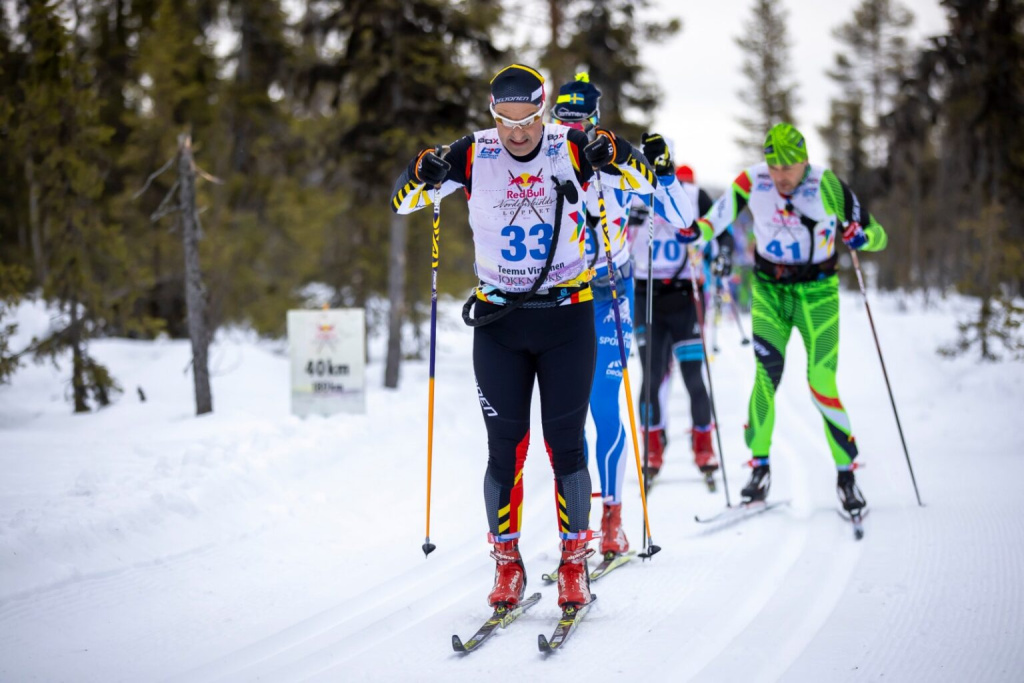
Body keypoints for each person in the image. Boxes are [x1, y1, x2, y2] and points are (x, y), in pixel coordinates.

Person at [390, 64, 657, 610]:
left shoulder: (571, 145)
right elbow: (403, 203)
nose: (517, 133)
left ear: (543, 111)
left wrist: (618, 149)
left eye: (528, 121)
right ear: (493, 115)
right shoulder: (474, 151)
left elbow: (644, 183)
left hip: (567, 318)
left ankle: (573, 563)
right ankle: (507, 563)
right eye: (505, 121)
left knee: (567, 446)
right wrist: (421, 171)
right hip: (500, 324)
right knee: (504, 451)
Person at [695, 122, 887, 512]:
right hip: (770, 292)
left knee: (820, 380)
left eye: (789, 167)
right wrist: (691, 234)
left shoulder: (826, 184)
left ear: (804, 162)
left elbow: (878, 234)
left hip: (818, 295)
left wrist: (861, 237)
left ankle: (846, 473)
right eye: (774, 167)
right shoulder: (753, 181)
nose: (781, 176)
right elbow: (714, 220)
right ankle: (759, 468)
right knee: (766, 377)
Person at [550, 74, 695, 558]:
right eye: (561, 119)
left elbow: (680, 218)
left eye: (579, 120)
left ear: (594, 120)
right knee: (566, 422)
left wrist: (664, 171)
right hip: (563, 300)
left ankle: (613, 516)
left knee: (605, 407)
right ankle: (580, 520)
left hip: (611, 293)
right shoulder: (543, 162)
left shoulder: (614, 163)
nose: (571, 129)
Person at [633, 162, 734, 485]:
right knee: (651, 374)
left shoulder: (692, 194)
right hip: (646, 295)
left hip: (685, 298)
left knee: (693, 376)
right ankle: (652, 445)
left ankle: (703, 445)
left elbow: (723, 233)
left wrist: (722, 256)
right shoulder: (634, 192)